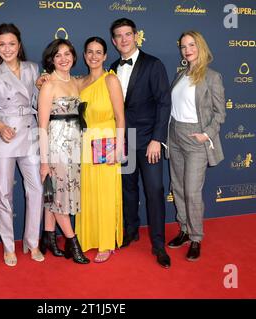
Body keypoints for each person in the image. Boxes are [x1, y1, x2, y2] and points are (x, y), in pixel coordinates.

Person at [109, 18, 172, 268]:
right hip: (124, 141)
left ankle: (158, 244)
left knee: (155, 191)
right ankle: (131, 231)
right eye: (119, 36)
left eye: (128, 34)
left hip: (148, 142)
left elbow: (164, 103)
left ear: (136, 36)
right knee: (128, 190)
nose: (124, 39)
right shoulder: (112, 68)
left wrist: (158, 138)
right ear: (114, 41)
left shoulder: (153, 64)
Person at [0, 23, 44, 267]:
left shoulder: (32, 68)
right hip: (2, 136)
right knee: (4, 193)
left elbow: (38, 103)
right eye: (2, 44)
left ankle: (33, 241)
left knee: (36, 189)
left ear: (19, 45)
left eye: (12, 43)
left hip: (29, 134)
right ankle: (9, 246)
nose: (7, 48)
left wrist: (43, 86)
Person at [166, 31, 226, 261]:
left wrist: (206, 135)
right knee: (178, 188)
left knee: (192, 191)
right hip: (175, 135)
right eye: (183, 46)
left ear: (201, 46)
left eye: (192, 45)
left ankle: (196, 237)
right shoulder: (180, 75)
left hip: (196, 139)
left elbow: (220, 114)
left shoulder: (212, 77)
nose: (187, 49)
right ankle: (183, 229)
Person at [38, 39, 89, 264]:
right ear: (51, 59)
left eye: (67, 54)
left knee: (56, 192)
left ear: (74, 56)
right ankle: (72, 242)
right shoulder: (48, 85)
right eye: (58, 55)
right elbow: (41, 126)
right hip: (56, 147)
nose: (64, 59)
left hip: (75, 146)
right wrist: (44, 161)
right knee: (59, 194)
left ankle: (49, 237)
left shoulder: (76, 83)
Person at [74, 37, 125, 263]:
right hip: (84, 141)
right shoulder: (79, 83)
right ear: (84, 56)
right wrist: (42, 79)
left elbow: (120, 116)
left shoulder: (110, 80)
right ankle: (85, 238)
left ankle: (105, 242)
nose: (94, 56)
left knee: (104, 193)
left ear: (105, 56)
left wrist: (120, 147)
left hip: (106, 140)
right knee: (86, 192)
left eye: (98, 52)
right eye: (89, 52)